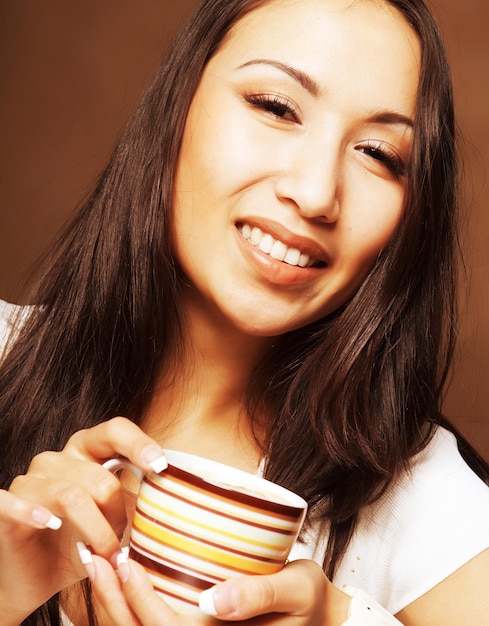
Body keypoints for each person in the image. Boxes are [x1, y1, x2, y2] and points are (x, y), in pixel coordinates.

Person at [0, 0, 488, 624]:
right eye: (276, 107)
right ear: (176, 108)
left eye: (379, 154)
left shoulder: (423, 505)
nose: (314, 193)